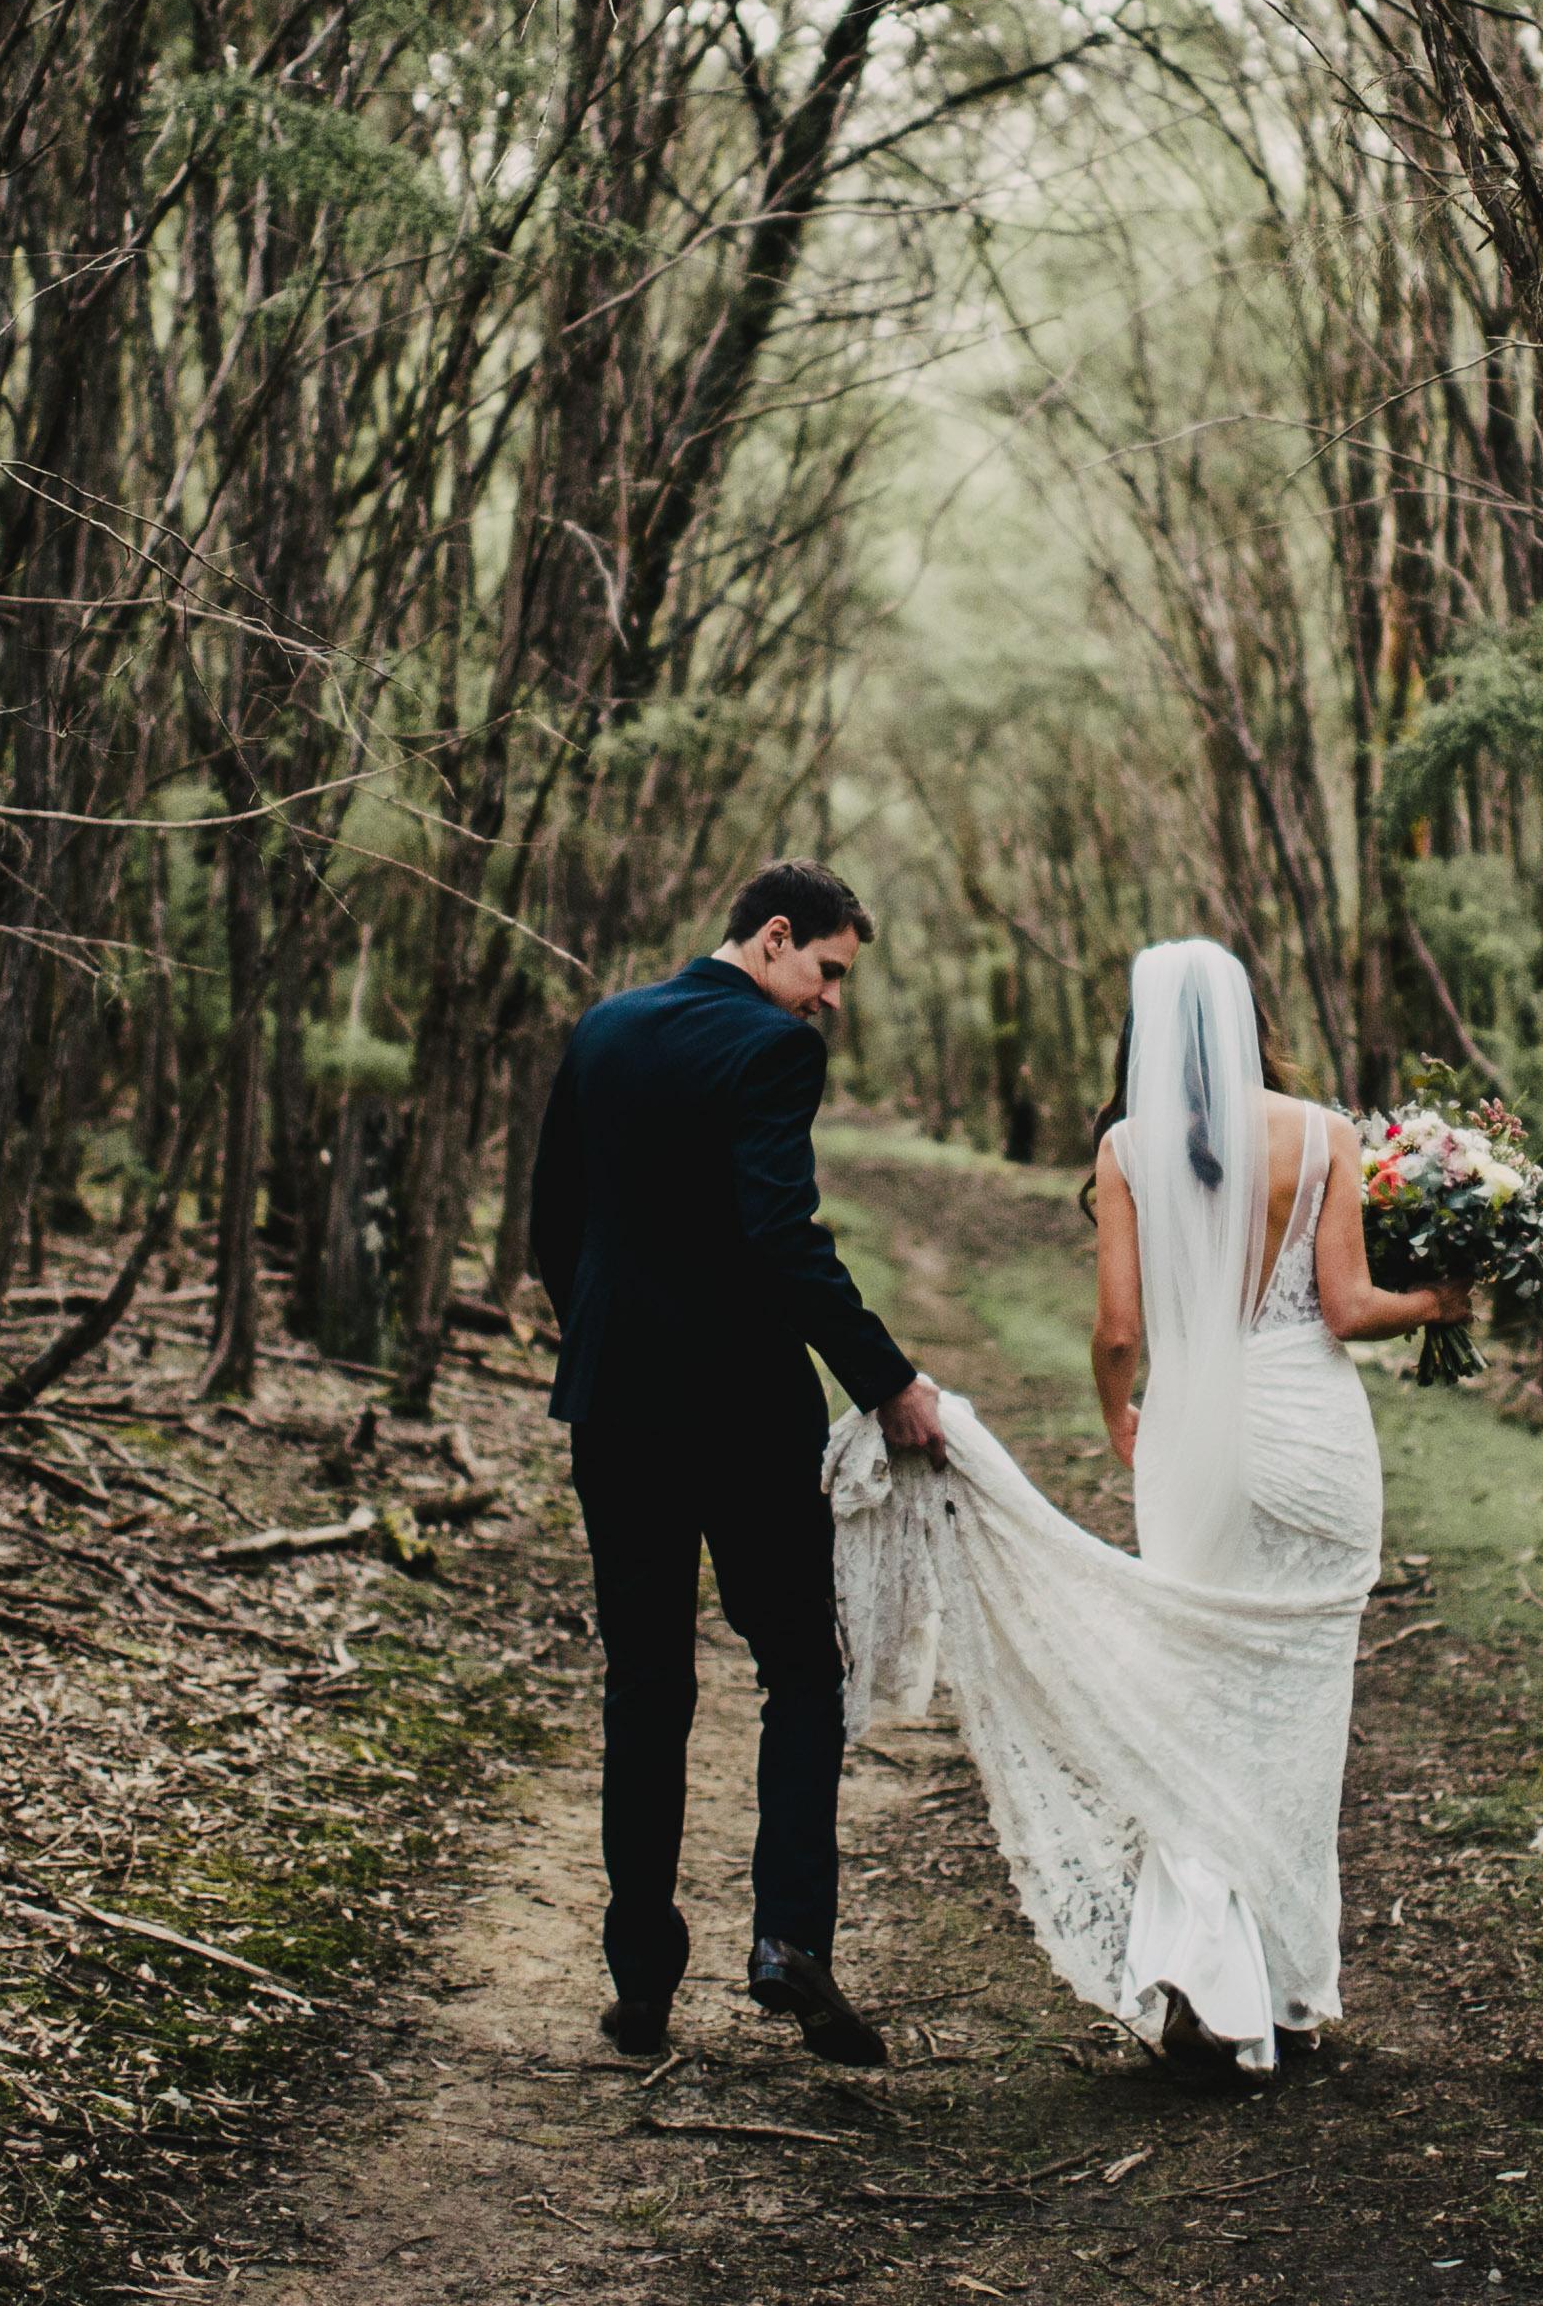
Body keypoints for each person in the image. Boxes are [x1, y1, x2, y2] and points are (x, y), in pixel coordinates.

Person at [829, 937, 1473, 2079]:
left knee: (1193, 1693)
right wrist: (1440, 1299)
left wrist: (1120, 1413)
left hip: (1193, 1444)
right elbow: (1344, 1308)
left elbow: (1120, 1329)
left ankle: (1204, 1974)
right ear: (1247, 1016)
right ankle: (1282, 1987)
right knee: (1297, 1718)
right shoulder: (1324, 1132)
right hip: (1314, 1444)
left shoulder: (1125, 1149)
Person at [527, 858, 945, 2067]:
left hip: (613, 1407)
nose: (828, 1001)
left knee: (645, 1681)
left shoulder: (603, 1027)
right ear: (772, 939)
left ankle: (640, 1983)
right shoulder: (771, 1052)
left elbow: (556, 1219)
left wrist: (604, 1328)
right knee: (801, 1670)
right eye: (826, 970)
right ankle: (788, 1943)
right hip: (743, 1414)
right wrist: (890, 1381)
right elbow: (782, 1239)